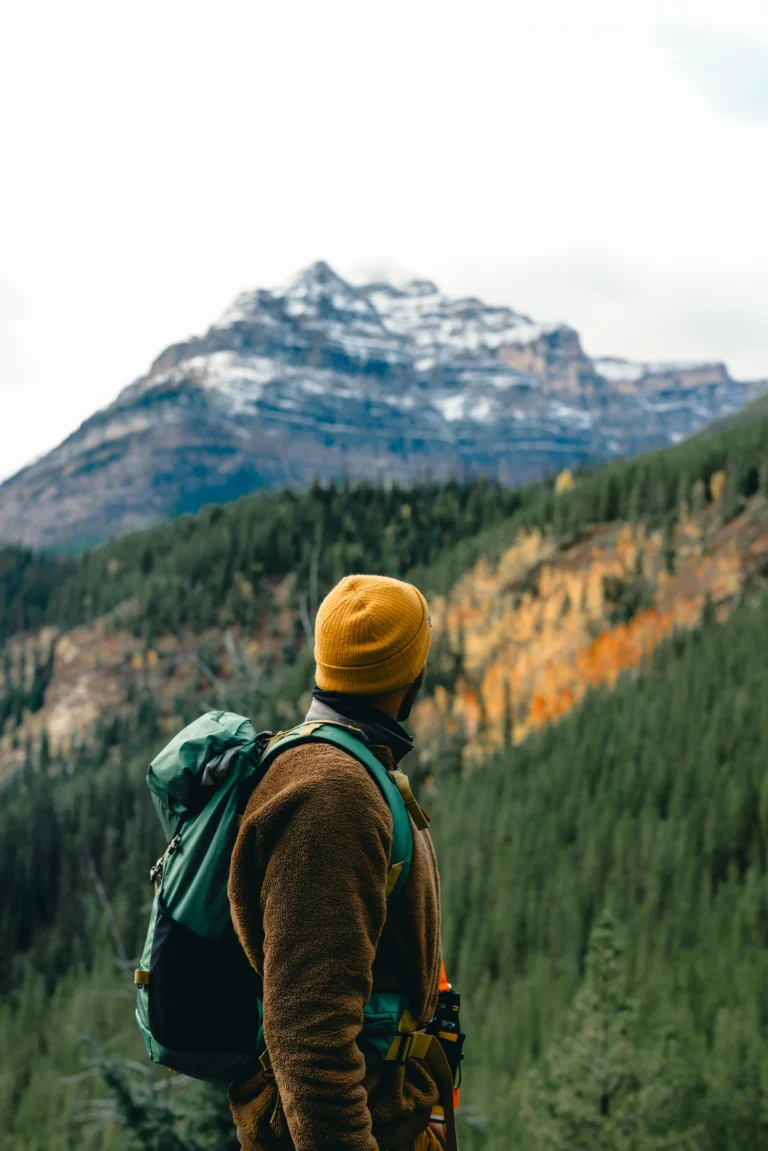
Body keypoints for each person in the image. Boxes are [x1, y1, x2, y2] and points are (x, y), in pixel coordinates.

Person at [227, 574, 447, 1151]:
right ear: (413, 673)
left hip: (392, 1117)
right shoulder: (332, 797)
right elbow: (309, 1037)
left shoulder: (348, 768)